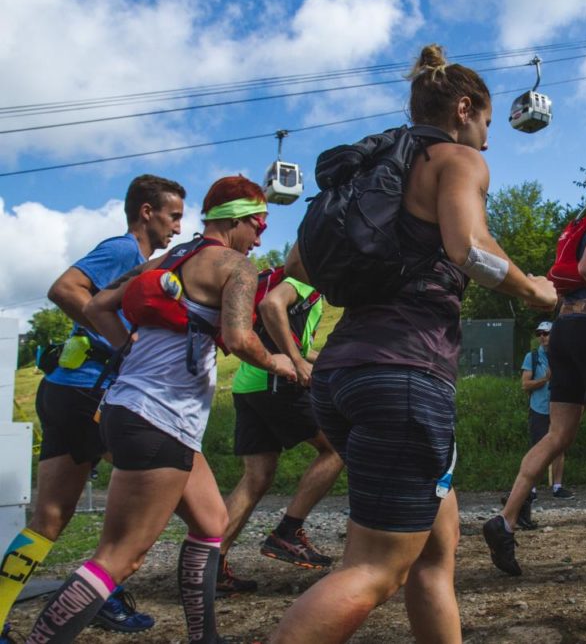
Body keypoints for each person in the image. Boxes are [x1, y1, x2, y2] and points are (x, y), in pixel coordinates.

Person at [269, 44, 556, 643]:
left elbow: (301, 262)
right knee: (374, 569)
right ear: (463, 108)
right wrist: (536, 293)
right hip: (404, 376)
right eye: (485, 122)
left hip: (344, 374)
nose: (488, 139)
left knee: (431, 556)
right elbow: (467, 249)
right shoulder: (456, 159)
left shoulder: (378, 169)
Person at [24, 176, 298, 643]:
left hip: (137, 410)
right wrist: (283, 361)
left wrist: (127, 351)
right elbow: (238, 338)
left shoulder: (167, 258)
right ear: (238, 222)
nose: (262, 237)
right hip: (159, 419)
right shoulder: (235, 266)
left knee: (211, 524)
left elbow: (98, 306)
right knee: (121, 556)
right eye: (258, 225)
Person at [0, 174, 184, 640]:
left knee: (51, 518)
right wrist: (124, 342)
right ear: (147, 212)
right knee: (150, 493)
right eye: (173, 216)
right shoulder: (125, 251)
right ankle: (106, 593)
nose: (177, 228)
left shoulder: (139, 260)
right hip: (90, 392)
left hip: (67, 389)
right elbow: (64, 289)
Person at [484, 163, 586, 577]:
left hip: (563, 328)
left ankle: (504, 520)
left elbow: (564, 278)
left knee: (559, 434)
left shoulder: (582, 221)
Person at [217, 273, 344, 593]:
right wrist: (298, 361)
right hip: (277, 383)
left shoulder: (306, 300)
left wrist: (325, 359)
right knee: (337, 448)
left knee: (256, 477)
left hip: (249, 384)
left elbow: (297, 345)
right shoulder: (304, 281)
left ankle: (207, 566)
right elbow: (270, 304)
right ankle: (287, 531)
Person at [506, 321, 570, 530]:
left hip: (559, 405)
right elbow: (525, 384)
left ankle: (557, 486)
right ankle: (530, 489)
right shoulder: (532, 357)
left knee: (560, 446)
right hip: (539, 408)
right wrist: (545, 379)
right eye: (540, 334)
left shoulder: (562, 354)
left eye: (547, 333)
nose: (543, 337)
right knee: (538, 447)